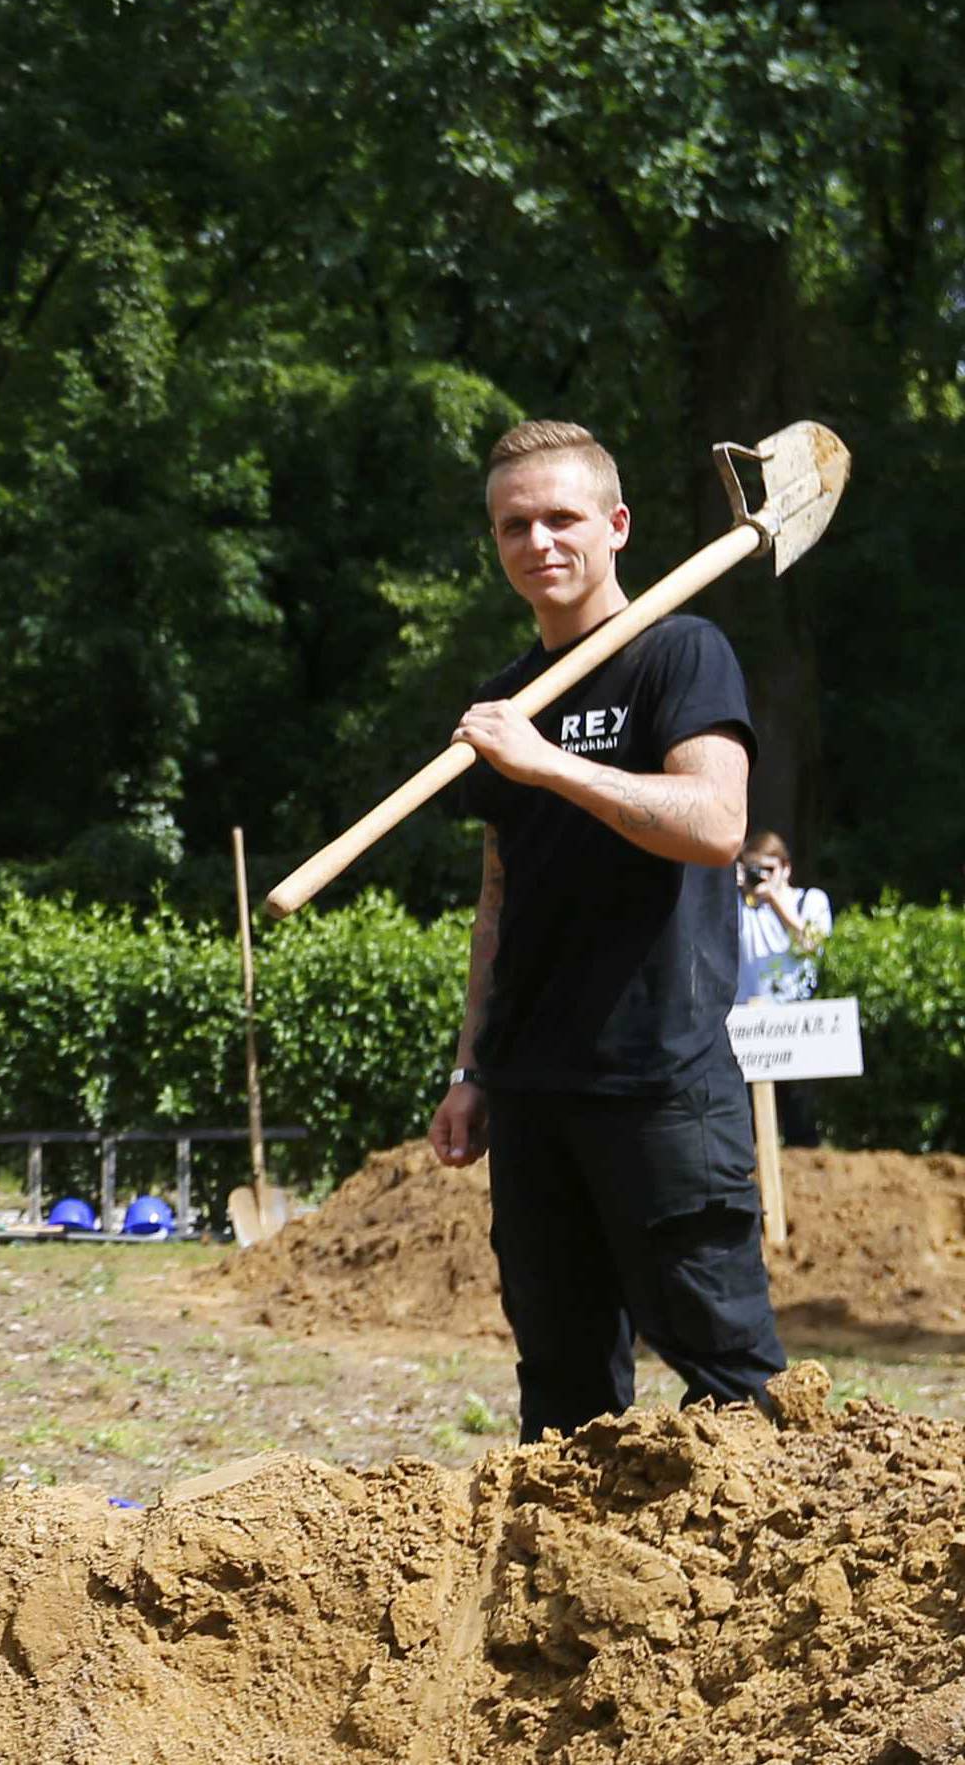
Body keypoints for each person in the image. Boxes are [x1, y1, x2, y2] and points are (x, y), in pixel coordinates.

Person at [427, 418, 784, 1441]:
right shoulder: (503, 698)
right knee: (564, 1391)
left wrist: (549, 763)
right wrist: (472, 1067)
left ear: (617, 524)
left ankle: (775, 1589)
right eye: (513, 525)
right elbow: (503, 897)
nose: (538, 541)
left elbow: (715, 824)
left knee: (728, 1370)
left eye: (561, 517)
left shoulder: (680, 653)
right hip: (533, 1089)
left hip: (662, 1081)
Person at [737, 829, 832, 1146]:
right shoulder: (737, 907)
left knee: (800, 1126)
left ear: (786, 869)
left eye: (769, 869)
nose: (761, 877)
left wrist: (775, 900)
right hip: (745, 1031)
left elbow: (812, 945)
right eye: (754, 869)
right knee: (744, 1132)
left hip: (795, 1029)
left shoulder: (810, 900)